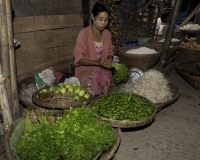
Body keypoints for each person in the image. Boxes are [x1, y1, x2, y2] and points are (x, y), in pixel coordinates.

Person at [73, 2, 114, 96]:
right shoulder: (84, 34)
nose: (103, 23)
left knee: (106, 83)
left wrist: (109, 60)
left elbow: (110, 52)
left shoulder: (107, 34)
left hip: (102, 69)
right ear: (93, 17)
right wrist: (97, 62)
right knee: (93, 90)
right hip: (86, 71)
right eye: (100, 19)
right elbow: (78, 59)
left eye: (106, 20)